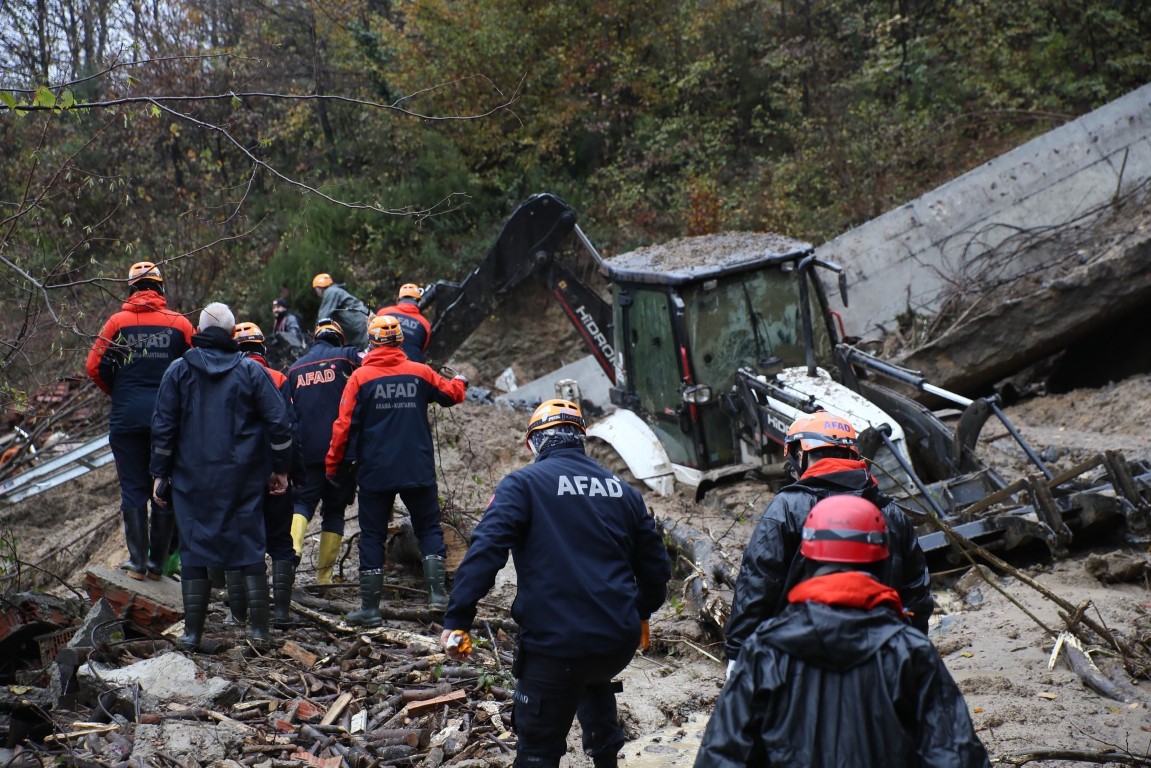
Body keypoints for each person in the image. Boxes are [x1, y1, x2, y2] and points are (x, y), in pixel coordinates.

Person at [440, 399, 672, 768]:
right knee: (591, 677)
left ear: (535, 442)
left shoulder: (523, 484)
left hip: (557, 647)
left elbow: (486, 551)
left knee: (538, 747)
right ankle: (606, 753)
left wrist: (457, 622)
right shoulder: (623, 491)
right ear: (580, 438)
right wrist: (641, 611)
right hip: (617, 642)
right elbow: (657, 568)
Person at [695, 495, 990, 767]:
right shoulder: (910, 651)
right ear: (881, 559)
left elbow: (722, 758)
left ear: (807, 558)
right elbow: (957, 758)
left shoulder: (765, 650)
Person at [723, 409, 934, 673]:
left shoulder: (787, 508)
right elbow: (916, 593)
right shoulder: (890, 512)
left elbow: (758, 583)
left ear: (801, 454)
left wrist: (738, 651)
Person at [150, 303, 294, 650]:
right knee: (249, 546)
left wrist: (160, 474)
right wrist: (281, 468)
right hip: (243, 476)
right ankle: (259, 631)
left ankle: (192, 634)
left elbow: (163, 427)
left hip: (190, 479)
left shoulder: (177, 371)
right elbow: (279, 422)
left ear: (199, 330)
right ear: (233, 334)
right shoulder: (250, 371)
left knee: (194, 549)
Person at [326, 314, 468, 622]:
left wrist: (332, 463)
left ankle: (370, 608)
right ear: (400, 340)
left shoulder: (360, 379)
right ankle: (438, 598)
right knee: (429, 528)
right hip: (417, 467)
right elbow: (451, 394)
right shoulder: (421, 372)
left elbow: (343, 426)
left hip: (376, 471)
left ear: (372, 342)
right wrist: (460, 381)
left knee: (373, 535)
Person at [86, 261, 194, 581]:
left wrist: (118, 393)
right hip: (169, 422)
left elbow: (93, 366)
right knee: (165, 486)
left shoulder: (116, 323)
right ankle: (157, 564)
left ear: (131, 288)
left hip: (126, 418)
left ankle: (136, 562)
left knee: (133, 487)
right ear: (160, 288)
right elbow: (196, 367)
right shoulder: (180, 324)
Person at [234, 321, 301, 627]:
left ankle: (241, 615)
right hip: (274, 473)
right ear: (262, 348)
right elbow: (288, 427)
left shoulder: (227, 378)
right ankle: (282, 613)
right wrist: (285, 470)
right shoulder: (278, 377)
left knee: (242, 541)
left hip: (239, 475)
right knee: (280, 542)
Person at [286, 318, 362, 584]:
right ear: (339, 338)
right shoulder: (349, 357)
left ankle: (293, 550)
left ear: (315, 338)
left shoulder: (295, 369)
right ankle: (324, 579)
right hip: (342, 451)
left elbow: (289, 413)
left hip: (307, 452)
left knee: (302, 503)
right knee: (334, 511)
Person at [375, 283, 432, 363]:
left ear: (399, 299)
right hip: (411, 369)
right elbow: (423, 347)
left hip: (381, 361)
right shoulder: (425, 324)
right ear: (419, 301)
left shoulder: (383, 313)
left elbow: (373, 337)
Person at [312, 273, 369, 350]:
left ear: (319, 288)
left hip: (361, 326)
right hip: (361, 325)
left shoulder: (331, 292)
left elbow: (323, 317)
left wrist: (315, 335)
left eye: (315, 289)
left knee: (366, 355)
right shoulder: (336, 291)